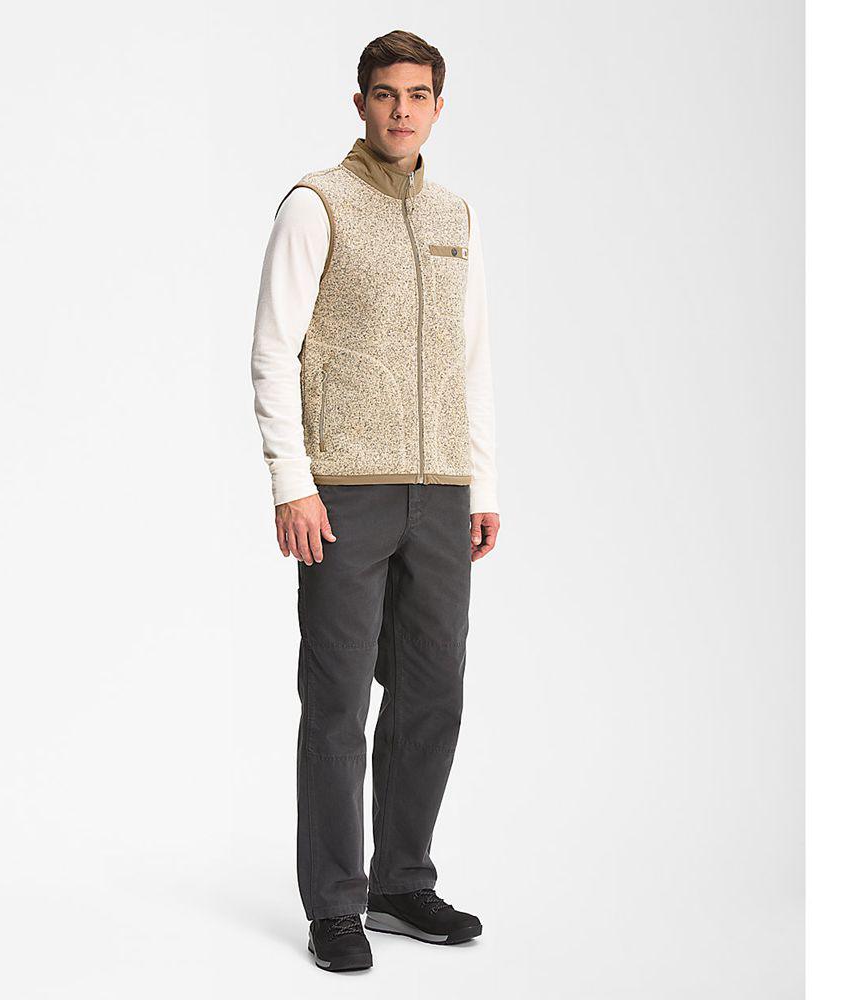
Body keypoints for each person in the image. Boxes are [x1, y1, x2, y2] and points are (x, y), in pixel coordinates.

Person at [250, 29, 500, 973]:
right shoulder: (316, 204)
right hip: (345, 494)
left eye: (418, 95)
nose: (402, 110)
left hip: (441, 492)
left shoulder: (456, 215)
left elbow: (472, 358)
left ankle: (400, 883)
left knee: (433, 691)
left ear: (438, 106)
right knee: (338, 701)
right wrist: (293, 481)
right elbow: (273, 349)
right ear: (360, 103)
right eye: (386, 93)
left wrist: (481, 483)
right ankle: (335, 905)